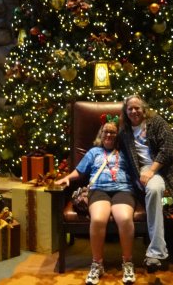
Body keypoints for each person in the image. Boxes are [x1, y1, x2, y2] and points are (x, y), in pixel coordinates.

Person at [118, 95, 173, 284]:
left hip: (171, 170)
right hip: (147, 172)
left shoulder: (156, 122)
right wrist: (138, 177)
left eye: (137, 108)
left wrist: (151, 171)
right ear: (126, 111)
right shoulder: (124, 132)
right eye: (130, 109)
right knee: (154, 191)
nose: (134, 111)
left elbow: (168, 149)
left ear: (144, 108)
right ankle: (156, 251)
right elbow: (126, 159)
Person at [55, 116, 136, 285]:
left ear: (118, 135)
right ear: (101, 134)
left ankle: (127, 263)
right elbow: (80, 171)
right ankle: (97, 264)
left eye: (113, 132)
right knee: (98, 219)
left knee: (125, 219)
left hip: (123, 190)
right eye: (106, 131)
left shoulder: (126, 153)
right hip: (98, 189)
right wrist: (67, 178)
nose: (109, 135)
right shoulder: (93, 152)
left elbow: (137, 171)